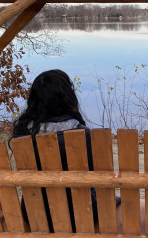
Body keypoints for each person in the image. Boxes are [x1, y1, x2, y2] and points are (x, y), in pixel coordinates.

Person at [11, 69, 120, 232]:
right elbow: (96, 176)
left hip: (34, 211)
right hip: (80, 211)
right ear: (67, 97)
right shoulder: (82, 134)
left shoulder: (21, 133)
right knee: (112, 199)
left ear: (34, 98)